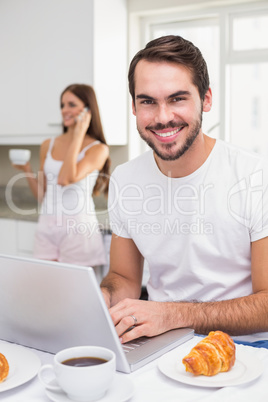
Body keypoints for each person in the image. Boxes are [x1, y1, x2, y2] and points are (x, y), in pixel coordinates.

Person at [101, 35, 268, 344]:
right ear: (134, 107)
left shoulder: (255, 175)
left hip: (247, 345)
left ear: (205, 99)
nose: (163, 117)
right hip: (158, 340)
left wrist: (173, 315)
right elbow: (124, 277)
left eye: (177, 98)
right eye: (148, 101)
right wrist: (101, 298)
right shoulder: (125, 179)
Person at [12, 84, 110, 267]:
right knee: (46, 289)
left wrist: (78, 134)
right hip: (46, 227)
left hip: (78, 231)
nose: (64, 110)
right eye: (62, 105)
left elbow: (65, 179)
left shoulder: (98, 149)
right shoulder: (48, 145)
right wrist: (26, 169)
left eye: (71, 104)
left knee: (75, 292)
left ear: (88, 110)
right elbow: (43, 196)